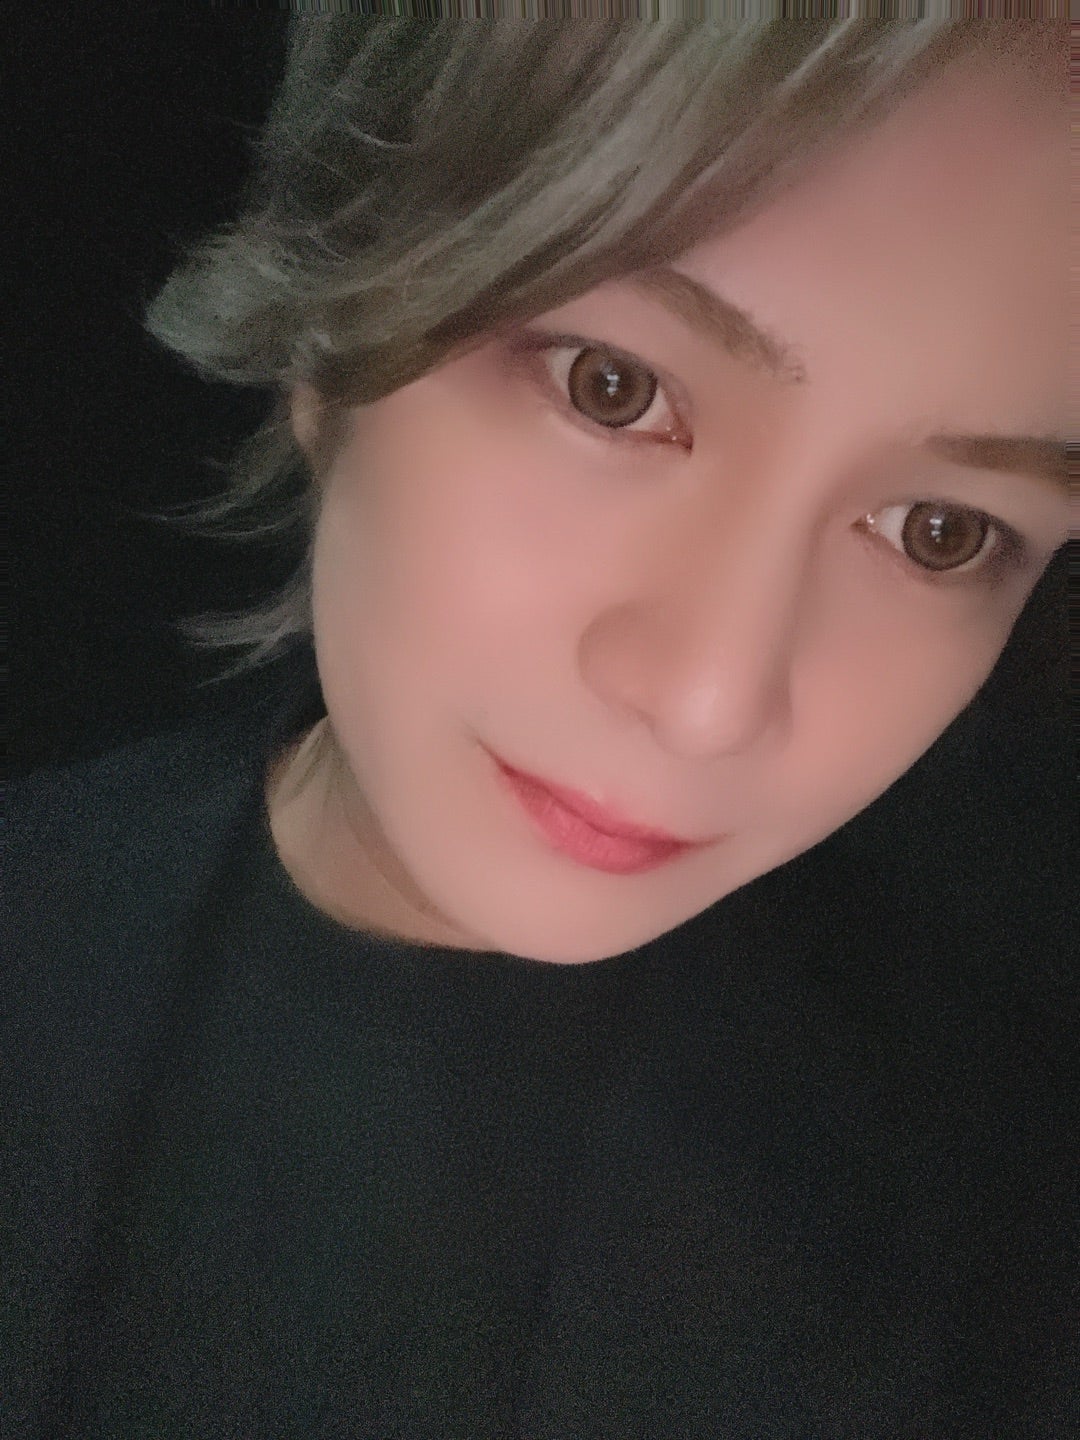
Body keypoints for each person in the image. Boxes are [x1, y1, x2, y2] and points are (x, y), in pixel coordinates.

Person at [5, 17, 1073, 1438]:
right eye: (609, 388)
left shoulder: (997, 1226)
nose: (709, 701)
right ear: (337, 325)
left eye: (939, 531)